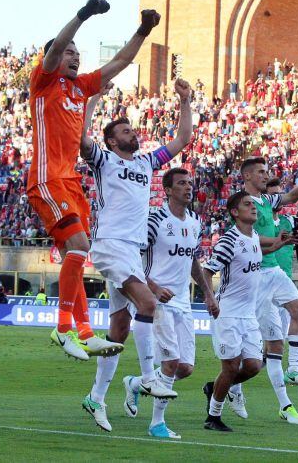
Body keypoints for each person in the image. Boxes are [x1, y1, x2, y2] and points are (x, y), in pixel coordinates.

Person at [29, 0, 160, 360]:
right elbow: (54, 51)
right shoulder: (44, 82)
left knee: (77, 252)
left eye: (77, 52)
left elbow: (121, 60)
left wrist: (143, 31)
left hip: (69, 181)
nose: (74, 55)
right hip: (47, 177)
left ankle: (83, 331)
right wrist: (83, 15)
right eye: (69, 51)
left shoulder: (80, 87)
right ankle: (64, 329)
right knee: (81, 247)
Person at [79, 75, 193, 421]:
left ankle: (96, 397)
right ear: (112, 140)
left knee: (119, 331)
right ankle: (147, 378)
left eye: (132, 130)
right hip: (110, 246)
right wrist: (94, 98)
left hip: (131, 248)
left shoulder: (146, 163)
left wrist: (185, 101)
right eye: (125, 131)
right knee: (148, 302)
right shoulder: (104, 160)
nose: (133, 133)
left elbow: (182, 139)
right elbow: (81, 139)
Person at [85, 168, 218, 437]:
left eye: (190, 183)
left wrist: (207, 293)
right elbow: (132, 255)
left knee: (185, 368)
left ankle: (134, 384)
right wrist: (152, 287)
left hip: (182, 300)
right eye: (181, 183)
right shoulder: (154, 219)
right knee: (170, 361)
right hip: (157, 299)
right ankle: (157, 423)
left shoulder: (194, 221)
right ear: (167, 190)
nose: (188, 187)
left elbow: (192, 260)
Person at [235, 157, 298, 425]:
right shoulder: (242, 203)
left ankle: (292, 374)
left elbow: (291, 197)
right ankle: (233, 387)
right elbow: (247, 237)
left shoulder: (266, 201)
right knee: (261, 350)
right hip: (255, 277)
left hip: (274, 272)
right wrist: (278, 240)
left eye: (267, 172)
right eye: (261, 172)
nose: (265, 176)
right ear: (248, 176)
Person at [201, 191, 293, 432]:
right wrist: (210, 297)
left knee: (252, 365)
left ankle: (214, 388)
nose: (253, 208)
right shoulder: (228, 240)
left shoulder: (252, 236)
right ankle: (214, 416)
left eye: (253, 204)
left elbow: (254, 257)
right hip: (228, 312)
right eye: (247, 204)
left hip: (248, 314)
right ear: (234, 212)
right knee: (230, 367)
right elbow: (207, 271)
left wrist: (278, 245)